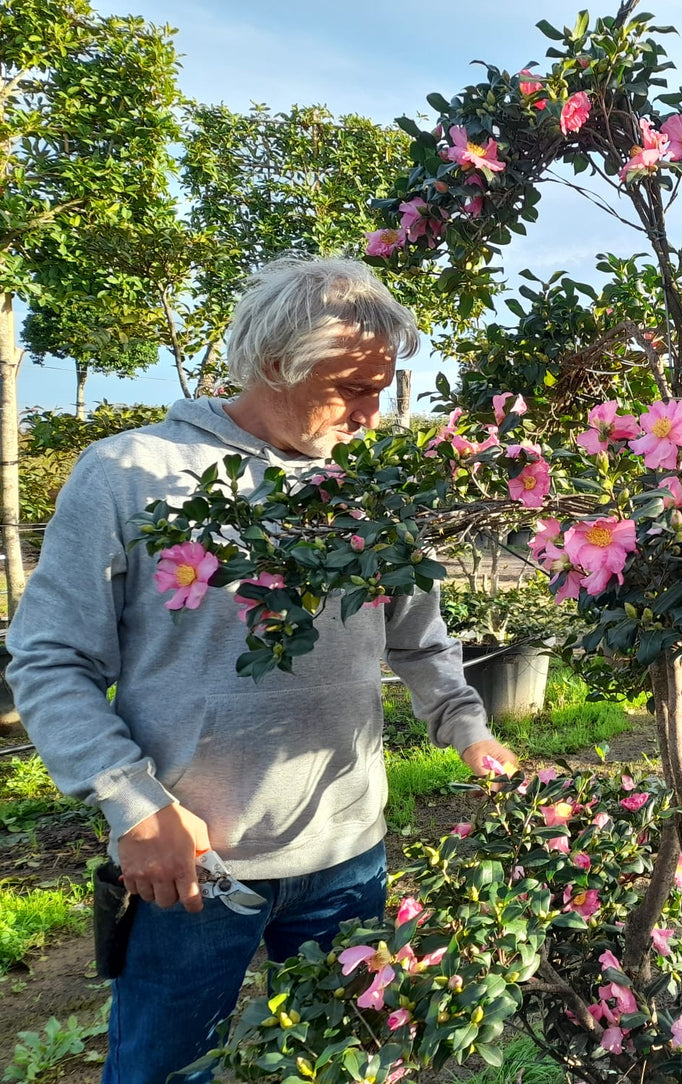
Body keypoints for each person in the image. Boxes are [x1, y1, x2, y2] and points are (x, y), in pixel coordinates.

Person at [6, 256, 516, 1083]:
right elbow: (50, 657)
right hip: (189, 868)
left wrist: (468, 730)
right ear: (278, 365)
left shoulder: (369, 490)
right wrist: (133, 806)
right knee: (164, 1072)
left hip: (347, 853)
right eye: (352, 388)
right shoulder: (129, 475)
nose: (372, 413)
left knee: (346, 1064)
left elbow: (418, 639)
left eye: (383, 387)